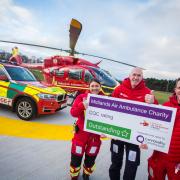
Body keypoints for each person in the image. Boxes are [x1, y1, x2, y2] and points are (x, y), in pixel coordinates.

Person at [109, 67, 158, 180]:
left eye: (139, 75)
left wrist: (153, 102)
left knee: (132, 165)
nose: (136, 77)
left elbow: (155, 113)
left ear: (142, 78)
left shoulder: (147, 92)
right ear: (130, 75)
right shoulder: (119, 89)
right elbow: (109, 109)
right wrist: (108, 129)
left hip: (135, 137)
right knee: (115, 162)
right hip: (118, 133)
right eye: (134, 75)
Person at [70, 79, 104, 180]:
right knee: (76, 157)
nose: (94, 88)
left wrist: (106, 131)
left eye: (96, 86)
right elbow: (73, 113)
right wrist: (82, 106)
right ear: (89, 87)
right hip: (80, 135)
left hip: (95, 137)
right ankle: (74, 176)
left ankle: (86, 174)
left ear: (100, 87)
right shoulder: (81, 97)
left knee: (91, 158)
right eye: (92, 86)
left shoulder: (105, 100)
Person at [148, 78, 180, 180]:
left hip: (177, 160)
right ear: (175, 89)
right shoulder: (167, 106)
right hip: (160, 156)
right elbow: (153, 124)